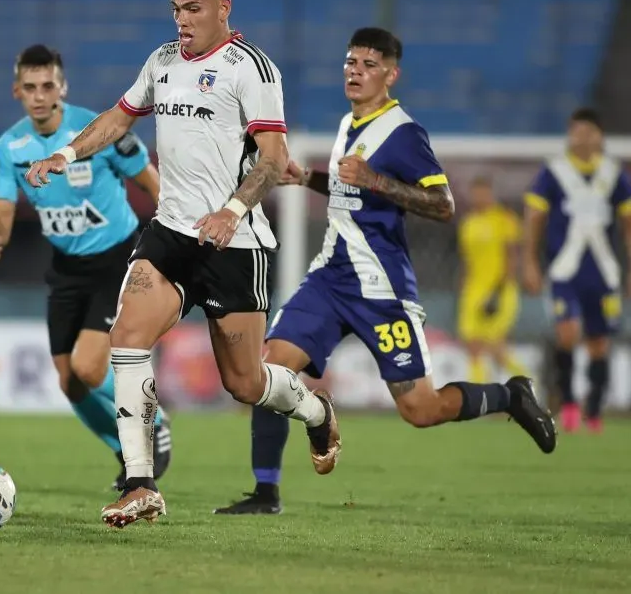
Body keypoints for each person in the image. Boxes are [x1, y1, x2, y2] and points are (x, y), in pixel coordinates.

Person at [215, 27, 557, 516]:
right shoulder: (346, 125)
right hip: (330, 279)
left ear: (392, 74)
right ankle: (265, 493)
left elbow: (442, 204)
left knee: (420, 409)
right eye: (351, 62)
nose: (356, 71)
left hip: (382, 289)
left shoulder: (403, 134)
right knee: (270, 371)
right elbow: (349, 193)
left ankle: (510, 395)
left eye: (369, 65)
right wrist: (306, 177)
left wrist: (376, 178)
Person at [26, 0, 303, 528]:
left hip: (235, 242)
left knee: (245, 382)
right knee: (126, 337)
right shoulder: (162, 61)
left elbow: (274, 160)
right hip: (171, 234)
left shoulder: (251, 69)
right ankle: (140, 483)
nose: (182, 19)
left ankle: (316, 410)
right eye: (176, 8)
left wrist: (231, 210)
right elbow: (118, 118)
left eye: (193, 8)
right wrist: (64, 153)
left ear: (223, 8)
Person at [0, 44, 171, 490]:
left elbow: (152, 183)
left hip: (117, 259)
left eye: (48, 85)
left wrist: (171, 240)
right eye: (30, 87)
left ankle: (154, 422)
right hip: (66, 267)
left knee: (89, 367)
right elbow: (2, 213)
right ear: (17, 92)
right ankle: (124, 451)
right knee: (69, 382)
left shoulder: (97, 131)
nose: (40, 95)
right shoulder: (10, 146)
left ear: (62, 87)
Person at [523, 108, 631, 434]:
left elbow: (627, 226)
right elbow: (534, 217)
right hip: (564, 271)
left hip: (603, 272)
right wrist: (529, 261)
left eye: (587, 131)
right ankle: (568, 403)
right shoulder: (554, 172)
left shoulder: (614, 175)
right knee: (566, 333)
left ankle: (594, 408)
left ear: (599, 136)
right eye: (575, 131)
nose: (580, 137)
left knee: (599, 342)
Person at [457, 176, 527, 383]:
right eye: (475, 193)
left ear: (491, 194)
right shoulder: (468, 223)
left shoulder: (504, 219)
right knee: (472, 346)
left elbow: (512, 257)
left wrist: (498, 291)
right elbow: (466, 261)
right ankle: (479, 397)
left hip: (499, 289)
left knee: (497, 347)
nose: (479, 197)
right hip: (473, 291)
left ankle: (529, 382)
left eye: (483, 192)